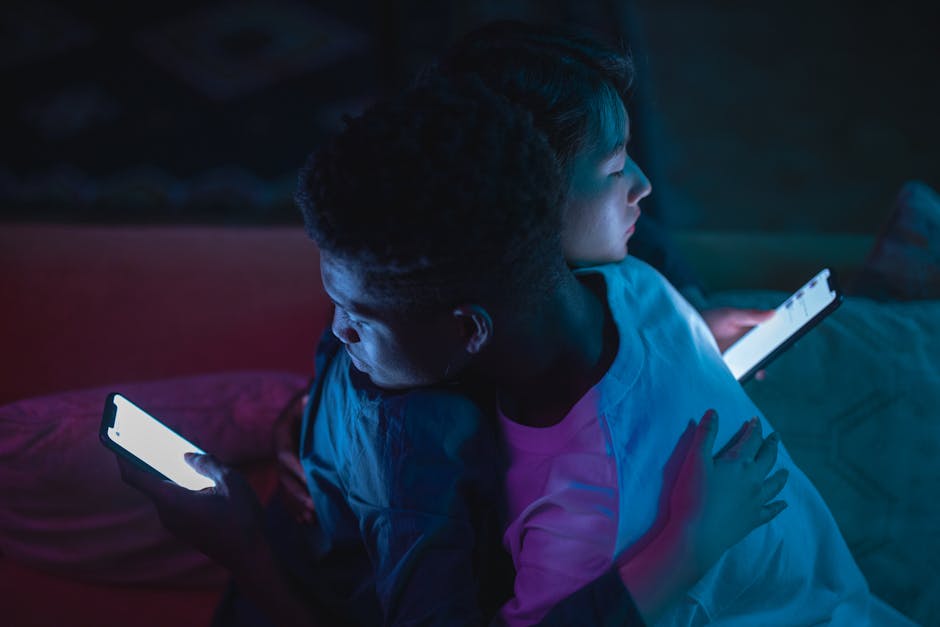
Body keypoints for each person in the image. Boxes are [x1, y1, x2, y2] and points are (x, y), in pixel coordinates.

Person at [120, 75, 789, 627]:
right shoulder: (625, 280)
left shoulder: (426, 459)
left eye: (359, 314)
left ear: (468, 329)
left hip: (284, 568)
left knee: (30, 451)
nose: (339, 331)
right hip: (309, 478)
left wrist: (238, 545)